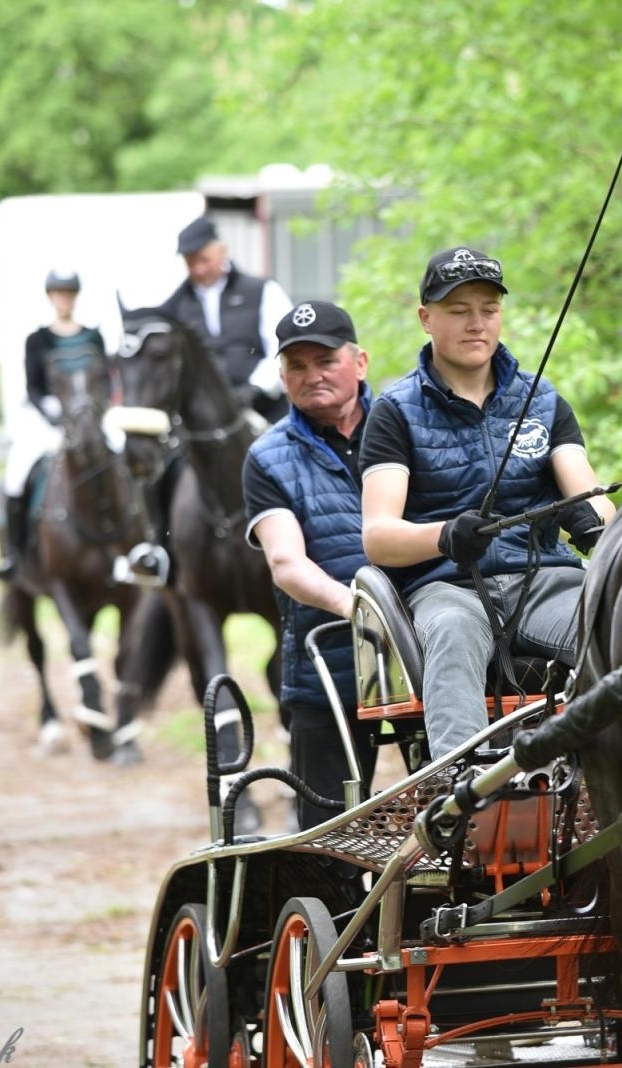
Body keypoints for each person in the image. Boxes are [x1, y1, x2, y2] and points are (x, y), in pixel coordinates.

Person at [360, 246, 613, 759]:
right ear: (426, 318)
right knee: (452, 631)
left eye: (489, 309)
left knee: (612, 618)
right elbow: (378, 537)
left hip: (544, 580)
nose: (476, 324)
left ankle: (613, 776)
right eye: (458, 310)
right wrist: (445, 535)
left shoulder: (543, 400)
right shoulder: (393, 412)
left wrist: (592, 522)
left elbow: (588, 496)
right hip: (447, 590)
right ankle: (461, 794)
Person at [242, 300, 377, 828]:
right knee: (329, 833)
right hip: (329, 662)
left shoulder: (405, 427)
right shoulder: (267, 456)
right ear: (281, 375)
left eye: (325, 360)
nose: (311, 375)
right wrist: (362, 610)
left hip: (425, 657)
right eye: (296, 366)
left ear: (359, 361)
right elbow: (286, 563)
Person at [0, 269, 107, 582]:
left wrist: (96, 413)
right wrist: (54, 415)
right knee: (15, 476)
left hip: (89, 420)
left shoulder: (93, 336)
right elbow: (34, 388)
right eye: (58, 293)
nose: (63, 299)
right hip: (50, 421)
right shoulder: (38, 340)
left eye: (68, 293)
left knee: (126, 459)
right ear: (50, 297)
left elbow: (105, 381)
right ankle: (13, 553)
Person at [158, 217, 292, 424]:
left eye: (204, 260)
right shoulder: (174, 306)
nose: (198, 269)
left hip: (265, 407)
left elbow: (284, 346)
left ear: (222, 251)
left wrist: (256, 388)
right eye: (190, 262)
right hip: (200, 417)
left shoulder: (262, 291)